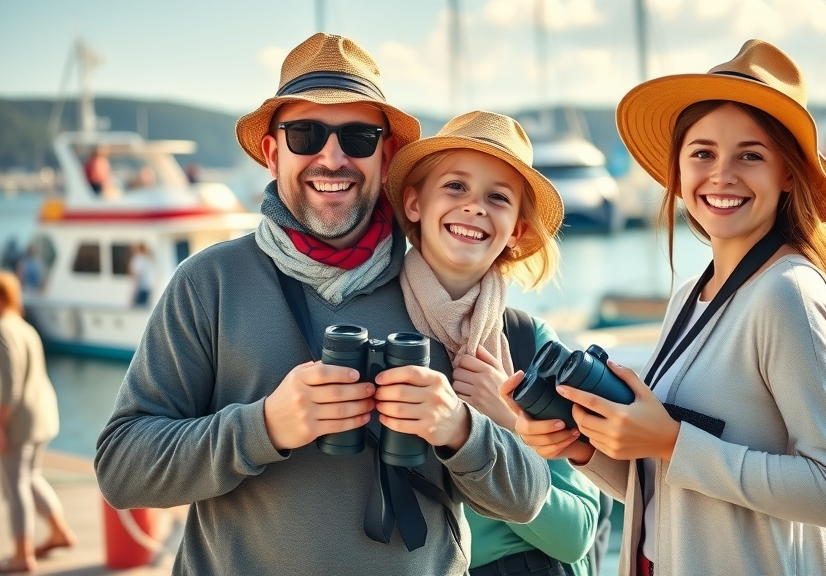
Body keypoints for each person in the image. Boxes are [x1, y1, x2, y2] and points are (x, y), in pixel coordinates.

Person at [94, 33, 550, 576]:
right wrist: (265, 426)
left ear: (386, 155)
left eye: (357, 137)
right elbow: (122, 469)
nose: (331, 157)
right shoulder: (210, 281)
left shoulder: (447, 297)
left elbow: (527, 498)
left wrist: (458, 428)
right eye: (305, 134)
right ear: (272, 153)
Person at [500, 39, 826, 575]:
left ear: (788, 174)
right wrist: (581, 447)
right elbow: (672, 490)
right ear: (678, 170)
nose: (722, 174)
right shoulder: (689, 296)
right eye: (702, 154)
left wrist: (671, 440)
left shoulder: (788, 292)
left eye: (750, 155)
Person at [385, 110, 600, 576]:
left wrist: (509, 421)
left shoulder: (530, 345)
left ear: (517, 232)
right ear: (415, 203)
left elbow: (577, 534)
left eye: (498, 197)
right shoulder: (379, 332)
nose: (475, 206)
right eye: (456, 186)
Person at [0, 271, 77, 574]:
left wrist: (0, 425)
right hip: (42, 415)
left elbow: (9, 386)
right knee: (31, 477)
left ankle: (22, 554)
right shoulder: (24, 326)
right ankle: (59, 531)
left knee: (15, 483)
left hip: (18, 420)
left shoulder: (2, 330)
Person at [127, 243, 153, 307]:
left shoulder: (137, 259)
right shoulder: (146, 259)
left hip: (139, 289)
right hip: (147, 287)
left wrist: (132, 294)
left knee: (137, 309)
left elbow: (136, 276)